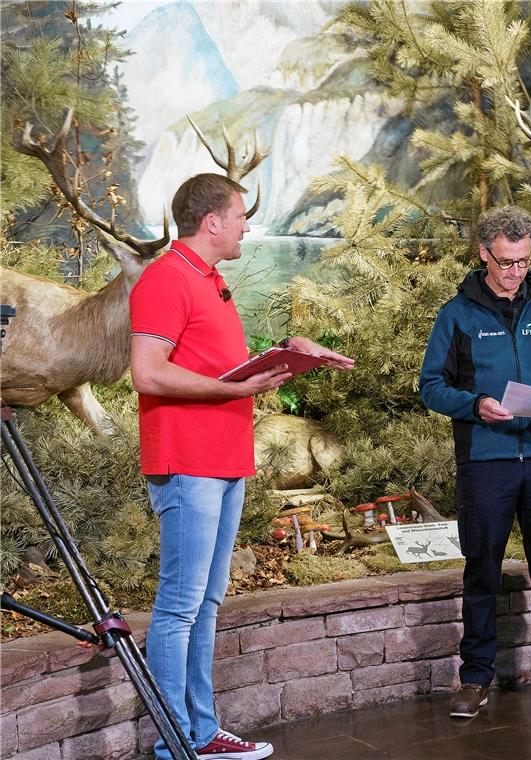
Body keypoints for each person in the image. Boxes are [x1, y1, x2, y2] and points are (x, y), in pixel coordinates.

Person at [130, 173, 354, 760]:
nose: (246, 226)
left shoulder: (209, 278)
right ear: (212, 222)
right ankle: (177, 738)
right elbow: (148, 373)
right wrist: (234, 390)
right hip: (189, 461)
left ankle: (202, 732)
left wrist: (288, 349)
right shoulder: (165, 278)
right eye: (239, 216)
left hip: (226, 459)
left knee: (205, 603)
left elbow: (221, 367)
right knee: (179, 605)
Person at [419, 206, 531, 718]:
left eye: (523, 262)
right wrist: (475, 405)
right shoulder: (456, 314)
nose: (514, 272)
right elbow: (431, 386)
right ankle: (475, 679)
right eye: (505, 262)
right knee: (482, 571)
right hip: (486, 461)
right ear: (484, 255)